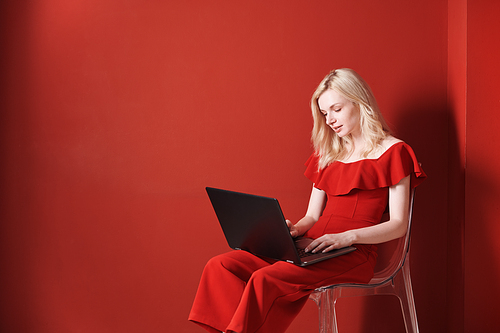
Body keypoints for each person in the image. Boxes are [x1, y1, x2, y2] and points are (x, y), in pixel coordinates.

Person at [188, 68, 426, 333]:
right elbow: (312, 217)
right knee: (220, 265)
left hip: (353, 253)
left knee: (266, 278)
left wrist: (347, 237)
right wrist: (291, 230)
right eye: (325, 114)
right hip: (309, 246)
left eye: (336, 109)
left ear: (360, 102)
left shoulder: (395, 151)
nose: (330, 120)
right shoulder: (328, 153)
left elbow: (398, 224)